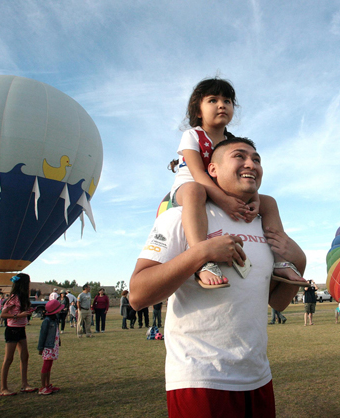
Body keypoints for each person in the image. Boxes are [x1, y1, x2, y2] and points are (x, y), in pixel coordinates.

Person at [129, 137, 304, 417]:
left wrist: (301, 261)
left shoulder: (264, 224)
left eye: (257, 159)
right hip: (200, 379)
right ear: (212, 169)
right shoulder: (181, 217)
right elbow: (137, 295)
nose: (251, 164)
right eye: (240, 156)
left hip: (258, 377)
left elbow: (279, 303)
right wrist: (202, 253)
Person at [166, 78, 306, 290]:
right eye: (213, 100)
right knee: (196, 191)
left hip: (221, 189)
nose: (222, 104)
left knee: (269, 202)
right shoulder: (192, 135)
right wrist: (224, 201)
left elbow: (246, 179)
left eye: (227, 101)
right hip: (190, 187)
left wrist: (256, 200)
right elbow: (198, 173)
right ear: (198, 112)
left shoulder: (231, 142)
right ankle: (202, 259)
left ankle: (280, 261)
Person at [0, 273, 37, 396]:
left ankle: (24, 384)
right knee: (8, 359)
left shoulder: (23, 297)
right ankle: (3, 388)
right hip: (12, 330)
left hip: (21, 329)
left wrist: (27, 312)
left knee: (25, 357)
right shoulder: (14, 298)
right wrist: (17, 316)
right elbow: (3, 314)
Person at [37, 299, 63, 395]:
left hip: (53, 345)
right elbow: (42, 335)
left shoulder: (55, 319)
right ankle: (43, 387)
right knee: (46, 366)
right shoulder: (47, 321)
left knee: (49, 366)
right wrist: (40, 348)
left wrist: (58, 340)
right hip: (47, 346)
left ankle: (47, 385)